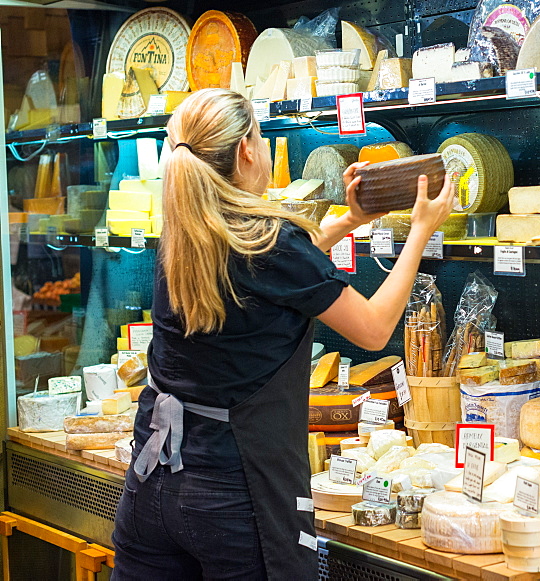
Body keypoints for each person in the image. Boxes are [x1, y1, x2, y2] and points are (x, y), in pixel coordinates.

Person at [110, 88, 454, 580]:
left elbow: (272, 270)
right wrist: (420, 229)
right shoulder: (268, 240)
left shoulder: (187, 230)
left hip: (153, 485)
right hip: (234, 495)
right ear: (247, 150)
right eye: (262, 135)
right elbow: (375, 329)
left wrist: (351, 221)